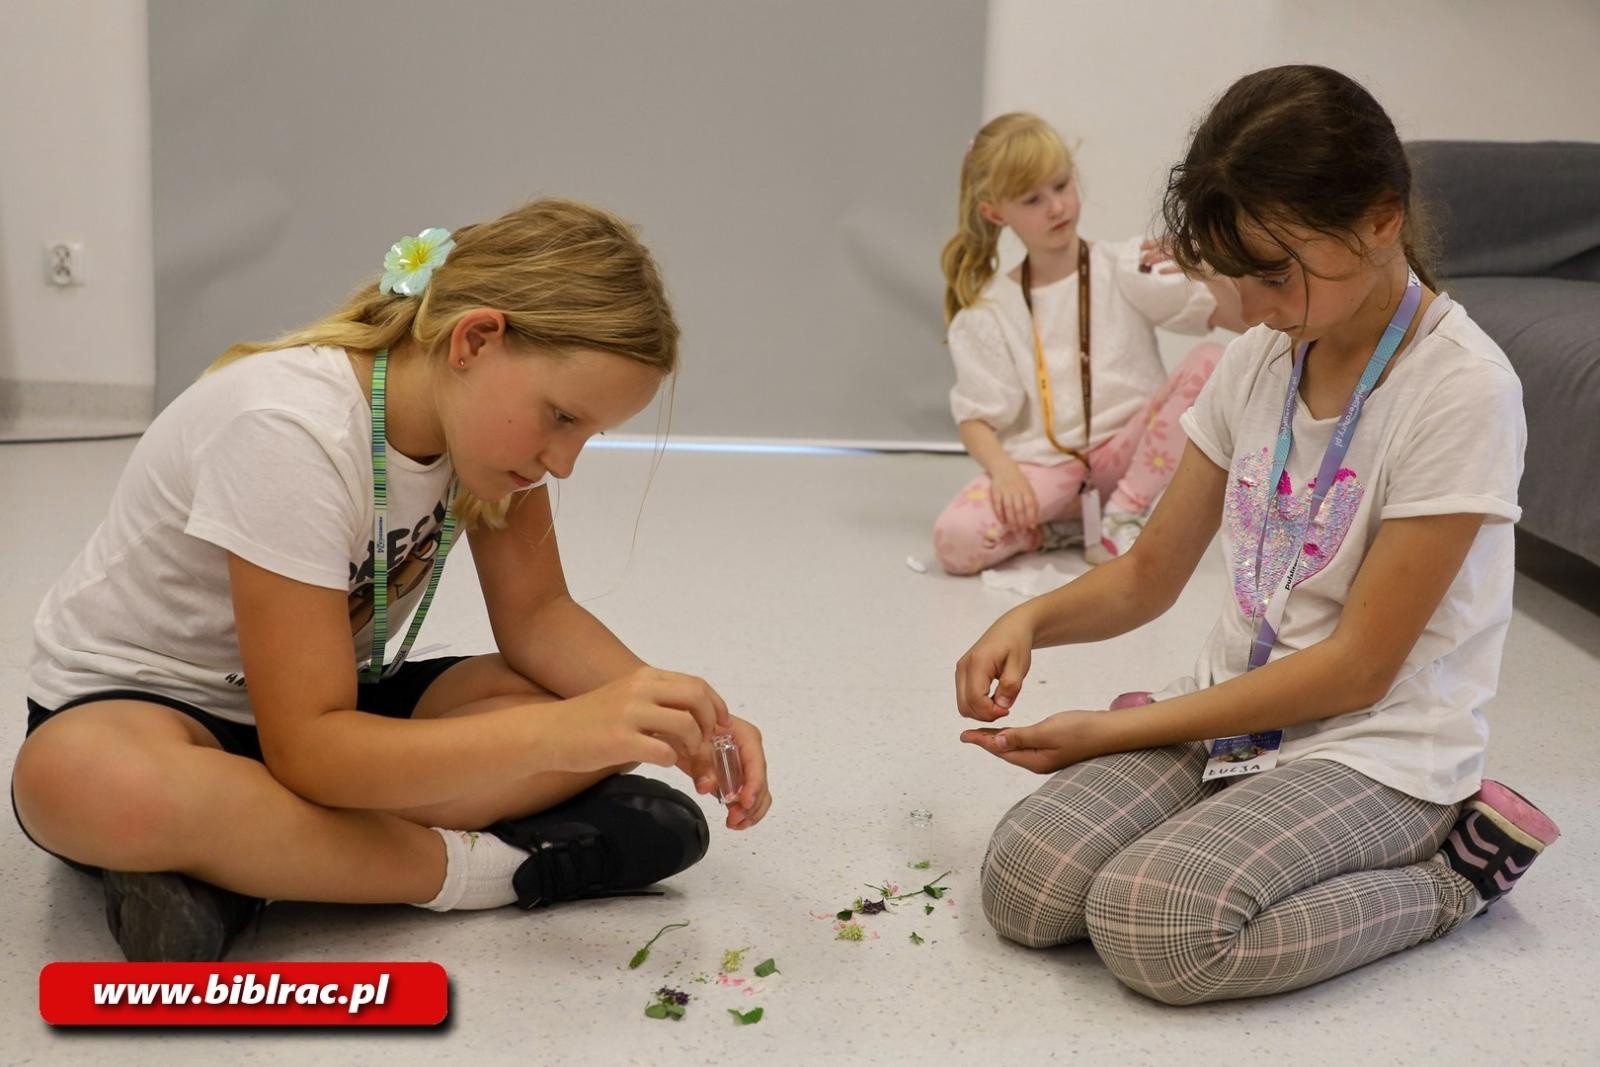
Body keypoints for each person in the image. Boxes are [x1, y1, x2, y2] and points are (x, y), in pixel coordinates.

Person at [13, 198, 771, 962]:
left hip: (330, 697)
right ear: (476, 338)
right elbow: (308, 750)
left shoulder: (491, 438)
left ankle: (244, 865)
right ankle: (488, 866)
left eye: (586, 434)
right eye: (561, 418)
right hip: (151, 712)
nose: (564, 460)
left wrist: (674, 714)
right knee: (77, 781)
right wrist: (559, 738)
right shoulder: (290, 429)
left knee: (595, 709)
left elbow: (540, 614)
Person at [953, 68, 1559, 1004]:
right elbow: (1149, 572)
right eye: (1241, 275)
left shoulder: (1461, 390)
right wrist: (1032, 619)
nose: (1256, 305)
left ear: (1381, 218)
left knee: (1156, 926)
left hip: (1378, 744)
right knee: (1025, 883)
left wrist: (1116, 730)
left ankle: (1456, 875)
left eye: (1276, 273)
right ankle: (1219, 807)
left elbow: (1359, 669)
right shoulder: (1259, 359)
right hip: (1239, 715)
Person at [935, 112, 1246, 575]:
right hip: (1050, 468)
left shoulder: (1122, 267)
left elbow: (1244, 320)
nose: (1056, 207)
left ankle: (1125, 511)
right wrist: (1004, 473)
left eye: (1061, 186)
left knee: (1210, 360)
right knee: (955, 542)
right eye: (1032, 199)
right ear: (996, 212)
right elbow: (976, 419)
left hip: (1133, 454)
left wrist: (1208, 267)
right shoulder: (992, 311)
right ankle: (1065, 528)